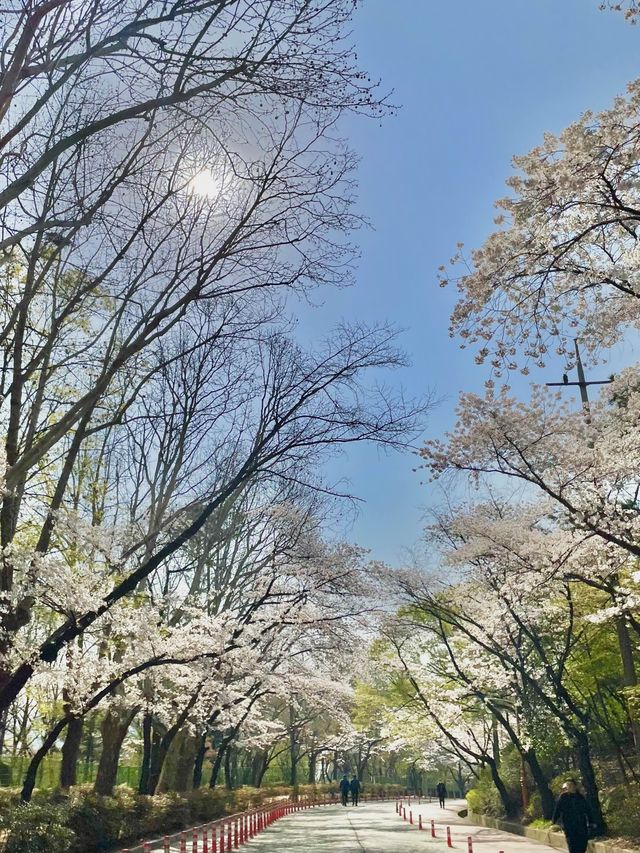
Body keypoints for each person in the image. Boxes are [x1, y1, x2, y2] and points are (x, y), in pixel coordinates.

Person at [552, 779, 594, 853]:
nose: (569, 787)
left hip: (581, 824)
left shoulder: (580, 797)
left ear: (575, 786)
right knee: (572, 845)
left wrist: (591, 821)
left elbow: (587, 810)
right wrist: (554, 821)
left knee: (582, 844)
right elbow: (557, 810)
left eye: (571, 785)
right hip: (569, 825)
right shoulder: (563, 797)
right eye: (568, 785)